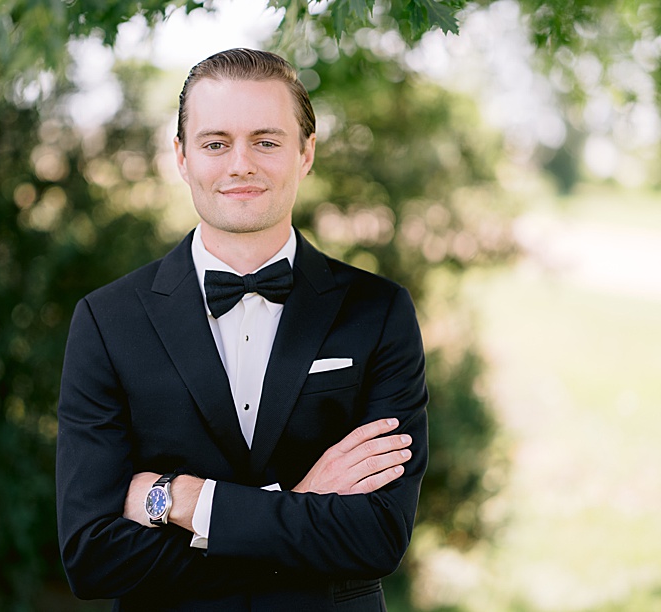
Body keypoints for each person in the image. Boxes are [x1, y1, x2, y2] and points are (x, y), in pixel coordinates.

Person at [55, 48, 428, 609]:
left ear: (306, 153)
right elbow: (93, 557)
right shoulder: (107, 322)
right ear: (181, 157)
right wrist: (299, 502)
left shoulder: (378, 313)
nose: (240, 164)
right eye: (215, 143)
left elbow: (376, 536)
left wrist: (185, 500)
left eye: (266, 140)